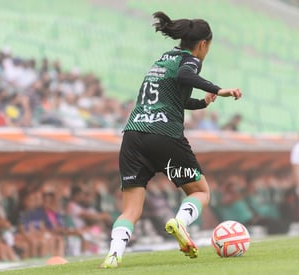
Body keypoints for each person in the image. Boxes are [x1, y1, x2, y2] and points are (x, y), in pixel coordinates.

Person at [100, 11, 242, 268]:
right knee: (200, 191)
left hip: (133, 135)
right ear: (203, 44)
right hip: (163, 135)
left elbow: (173, 95)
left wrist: (202, 102)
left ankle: (114, 254)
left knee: (131, 210)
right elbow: (185, 77)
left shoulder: (163, 60)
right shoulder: (190, 61)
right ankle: (181, 222)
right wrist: (217, 90)